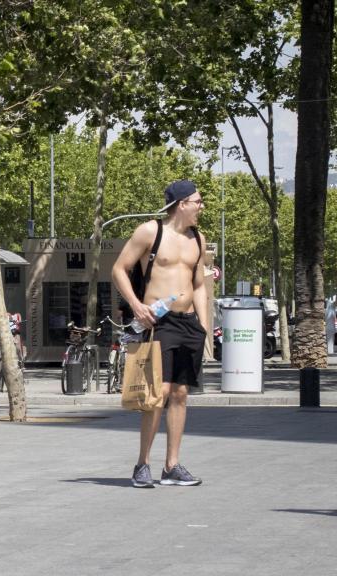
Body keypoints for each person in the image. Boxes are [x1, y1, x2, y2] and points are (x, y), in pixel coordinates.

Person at [111, 179, 208, 489]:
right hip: (160, 322)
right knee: (159, 393)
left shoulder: (198, 239)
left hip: (189, 323)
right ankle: (143, 464)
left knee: (180, 394)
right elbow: (118, 269)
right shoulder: (150, 232)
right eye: (198, 201)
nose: (201, 207)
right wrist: (138, 306)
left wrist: (204, 327)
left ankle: (172, 466)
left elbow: (199, 285)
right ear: (181, 204)